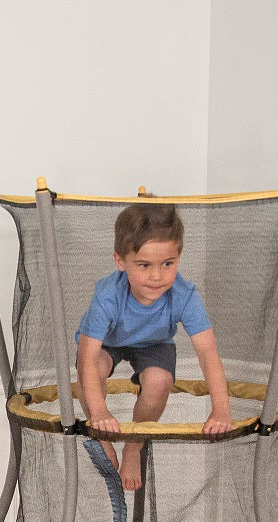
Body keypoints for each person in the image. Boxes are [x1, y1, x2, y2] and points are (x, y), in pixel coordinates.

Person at [75, 201, 234, 490]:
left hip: (154, 343)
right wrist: (100, 414)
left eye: (167, 264)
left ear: (178, 257)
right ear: (120, 261)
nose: (157, 276)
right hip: (108, 342)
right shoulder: (108, 295)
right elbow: (86, 357)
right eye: (144, 265)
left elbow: (208, 351)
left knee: (160, 380)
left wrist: (221, 409)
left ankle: (134, 445)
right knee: (94, 367)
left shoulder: (184, 295)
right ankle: (102, 436)